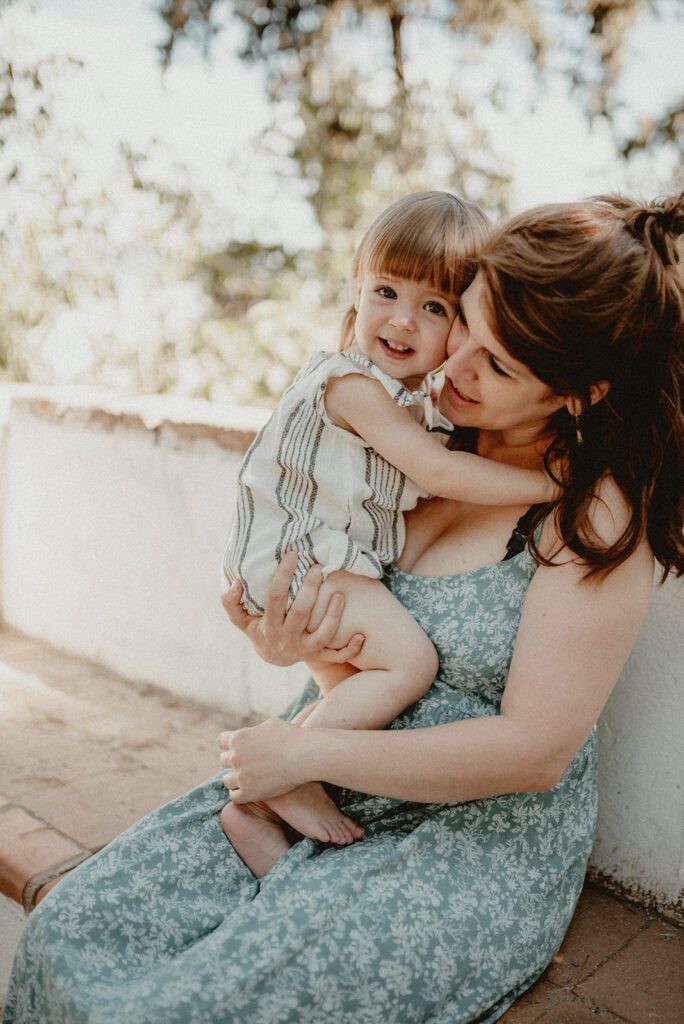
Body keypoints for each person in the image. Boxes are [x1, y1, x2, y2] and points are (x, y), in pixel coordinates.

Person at [4, 191, 682, 1024]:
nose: (457, 362)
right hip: (315, 776)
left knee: (189, 1008)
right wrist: (290, 643)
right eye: (465, 321)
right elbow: (347, 633)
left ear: (580, 393)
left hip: (462, 839)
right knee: (70, 933)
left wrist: (302, 755)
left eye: (500, 366)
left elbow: (534, 751)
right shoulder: (411, 442)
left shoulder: (592, 514)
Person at [221, 191, 557, 875]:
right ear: (356, 287)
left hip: (317, 559)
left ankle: (256, 811)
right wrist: (554, 487)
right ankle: (287, 774)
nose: (403, 319)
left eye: (434, 307)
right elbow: (438, 470)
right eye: (386, 291)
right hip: (304, 557)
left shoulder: (411, 401)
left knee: (352, 682)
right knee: (409, 665)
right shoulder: (351, 384)